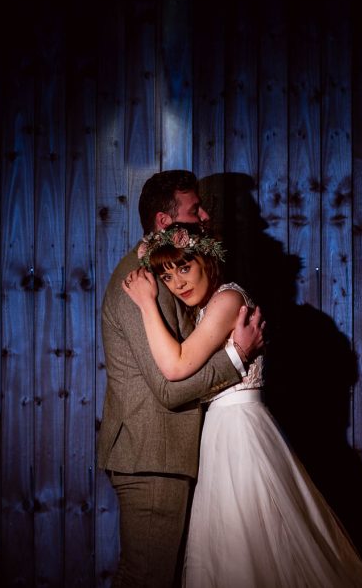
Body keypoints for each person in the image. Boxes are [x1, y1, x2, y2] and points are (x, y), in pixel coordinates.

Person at [122, 224, 362, 587]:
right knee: (231, 549)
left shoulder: (228, 300)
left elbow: (176, 366)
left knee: (252, 546)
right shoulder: (206, 309)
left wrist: (147, 303)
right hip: (222, 431)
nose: (177, 283)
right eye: (166, 276)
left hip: (241, 431)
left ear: (207, 259)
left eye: (184, 268)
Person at [96, 170, 266, 588]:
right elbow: (169, 387)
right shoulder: (137, 284)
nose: (205, 215)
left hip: (167, 458)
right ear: (164, 223)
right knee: (145, 579)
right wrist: (237, 358)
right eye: (195, 209)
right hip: (151, 457)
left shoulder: (164, 274)